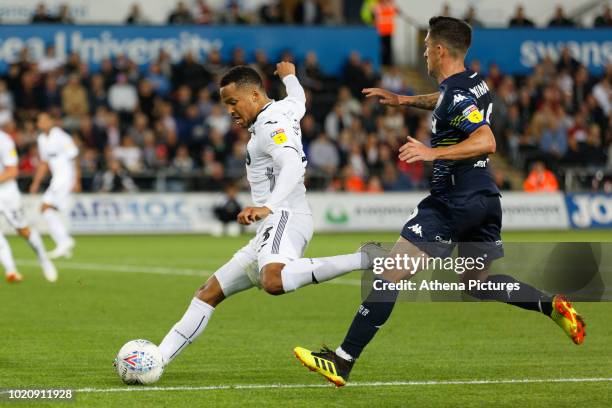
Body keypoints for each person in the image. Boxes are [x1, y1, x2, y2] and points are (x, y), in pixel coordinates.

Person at [294, 16, 585, 387]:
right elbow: (445, 101)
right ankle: (550, 305)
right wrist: (405, 100)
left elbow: (487, 140)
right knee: (477, 282)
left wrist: (433, 154)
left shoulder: (457, 96)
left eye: (427, 45)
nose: (424, 53)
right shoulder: (474, 83)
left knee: (390, 272)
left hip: (454, 198)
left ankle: (342, 360)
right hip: (485, 198)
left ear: (439, 50)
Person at [153, 63, 378, 372]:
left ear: (255, 94)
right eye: (225, 104)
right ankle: (157, 360)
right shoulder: (285, 109)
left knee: (273, 280)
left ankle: (366, 259)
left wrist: (269, 206)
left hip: (284, 215)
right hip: (271, 224)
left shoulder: (271, 124)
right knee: (208, 293)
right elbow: (299, 98)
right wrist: (289, 75)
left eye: (233, 102)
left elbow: (293, 165)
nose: (229, 110)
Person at [0, 128, 57, 283]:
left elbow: (12, 171)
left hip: (6, 194)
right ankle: (11, 270)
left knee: (23, 230)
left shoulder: (4, 140)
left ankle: (44, 259)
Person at [30, 113, 79, 259]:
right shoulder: (41, 139)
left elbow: (74, 158)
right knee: (48, 209)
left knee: (46, 207)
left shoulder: (62, 137)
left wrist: (77, 180)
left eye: (46, 120)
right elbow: (44, 163)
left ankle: (64, 241)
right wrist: (36, 182)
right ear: (38, 124)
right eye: (41, 121)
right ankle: (64, 243)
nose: (43, 123)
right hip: (57, 178)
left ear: (51, 121)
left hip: (65, 177)